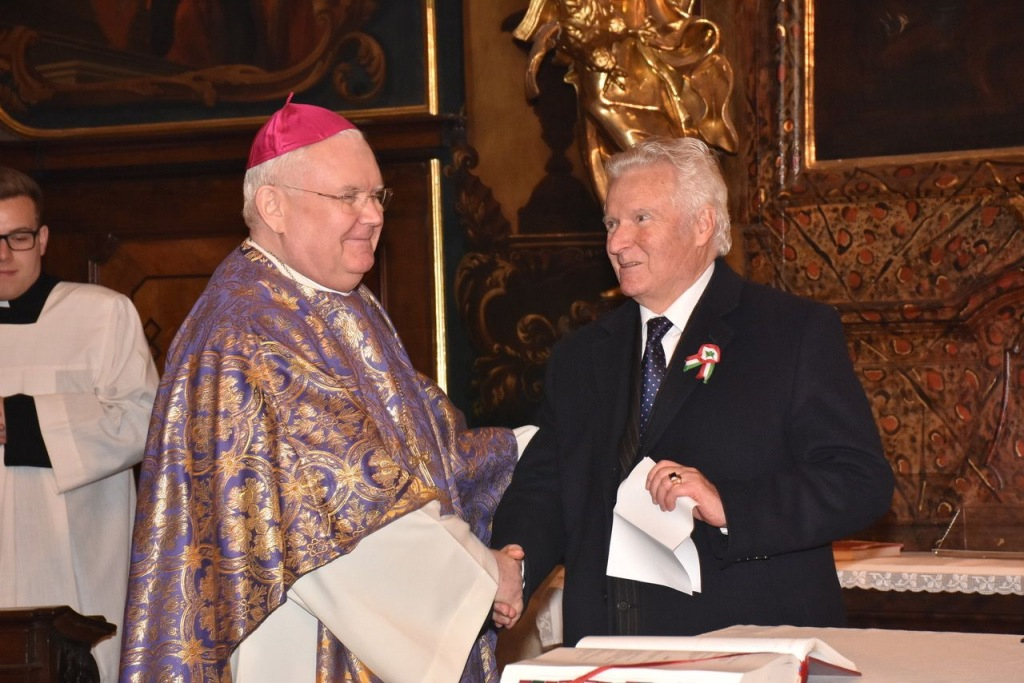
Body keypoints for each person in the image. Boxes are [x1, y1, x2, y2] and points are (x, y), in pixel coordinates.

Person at [118, 95, 525, 683]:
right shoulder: (251, 331)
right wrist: (481, 578)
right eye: (348, 196)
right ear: (273, 206)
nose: (373, 215)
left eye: (378, 196)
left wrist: (530, 452)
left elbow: (424, 443)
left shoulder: (337, 301)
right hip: (298, 641)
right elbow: (346, 503)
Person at [491, 136, 895, 642]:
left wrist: (731, 506)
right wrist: (516, 561)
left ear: (702, 224)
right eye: (612, 224)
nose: (616, 243)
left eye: (641, 218)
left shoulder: (790, 333)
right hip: (607, 652)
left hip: (747, 653)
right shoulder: (580, 356)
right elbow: (546, 486)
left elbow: (860, 482)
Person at [0, 166, 159, 682]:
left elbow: (144, 419)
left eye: (18, 237)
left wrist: (21, 420)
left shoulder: (102, 314)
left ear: (43, 239)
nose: (3, 254)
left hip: (73, 565)